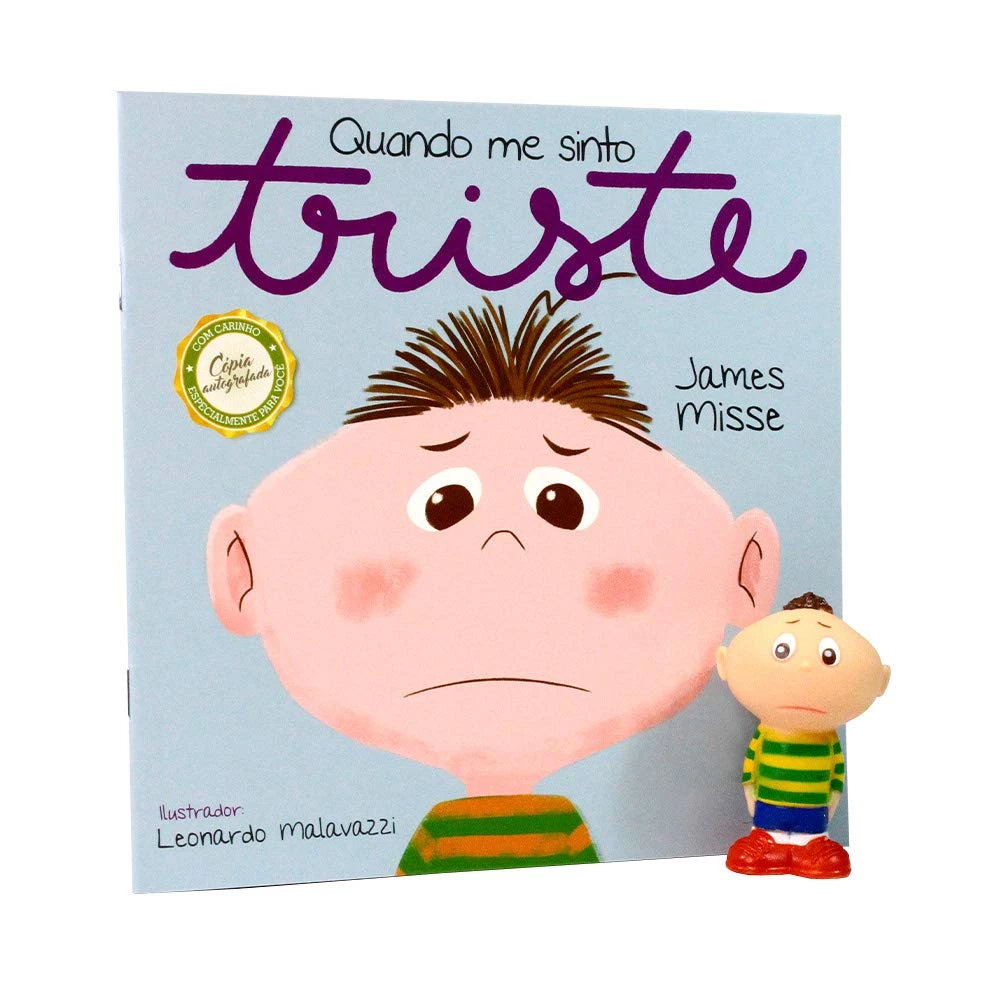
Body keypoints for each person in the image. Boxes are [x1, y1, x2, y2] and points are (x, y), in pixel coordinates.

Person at [207, 289, 780, 874]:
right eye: (445, 503)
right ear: (242, 572)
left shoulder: (565, 825)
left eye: (561, 504)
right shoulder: (451, 832)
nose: (503, 546)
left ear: (746, 570)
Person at [716, 592, 890, 878]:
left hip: (813, 812)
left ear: (881, 681)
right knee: (765, 831)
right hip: (768, 808)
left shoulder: (827, 739)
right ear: (724, 663)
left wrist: (832, 802)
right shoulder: (767, 733)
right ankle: (766, 839)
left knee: (814, 836)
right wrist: (751, 795)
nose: (806, 665)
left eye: (828, 657)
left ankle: (811, 844)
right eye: (783, 651)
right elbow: (751, 766)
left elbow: (836, 775)